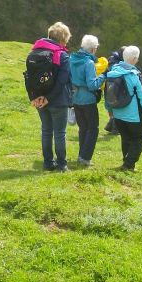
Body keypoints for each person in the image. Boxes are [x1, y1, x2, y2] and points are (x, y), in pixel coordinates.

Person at [105, 45, 142, 172]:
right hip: (133, 115)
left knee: (125, 137)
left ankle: (127, 162)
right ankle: (128, 164)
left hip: (117, 113)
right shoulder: (134, 75)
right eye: (137, 58)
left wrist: (109, 109)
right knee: (139, 138)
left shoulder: (112, 71)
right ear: (133, 59)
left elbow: (108, 93)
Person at [30, 21, 72, 172]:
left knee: (46, 130)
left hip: (40, 99)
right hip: (58, 100)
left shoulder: (34, 53)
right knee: (60, 133)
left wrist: (35, 97)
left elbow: (30, 78)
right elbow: (62, 82)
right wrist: (50, 98)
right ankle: (62, 164)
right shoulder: (62, 55)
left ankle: (48, 163)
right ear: (63, 39)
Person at [70, 34, 107, 166]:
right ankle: (85, 158)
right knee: (93, 129)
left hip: (75, 98)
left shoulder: (71, 59)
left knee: (83, 128)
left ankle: (81, 156)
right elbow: (92, 85)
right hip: (88, 100)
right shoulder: (89, 63)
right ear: (92, 49)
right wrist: (103, 75)